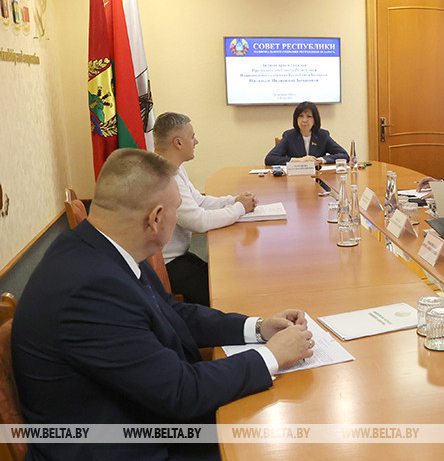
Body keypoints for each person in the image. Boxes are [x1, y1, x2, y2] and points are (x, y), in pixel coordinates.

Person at [11, 149, 314, 460]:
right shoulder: (91, 290)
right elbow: (180, 393)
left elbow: (172, 313)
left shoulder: (99, 246)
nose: (178, 219)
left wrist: (258, 328)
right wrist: (272, 356)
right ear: (156, 218)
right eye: (176, 210)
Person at [154, 111, 257, 306]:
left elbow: (199, 201)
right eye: (192, 137)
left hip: (177, 256)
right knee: (225, 296)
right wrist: (239, 209)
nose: (196, 141)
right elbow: (198, 222)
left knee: (223, 277)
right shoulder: (164, 176)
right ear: (178, 143)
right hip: (167, 264)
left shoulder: (173, 167)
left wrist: (233, 200)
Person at [265, 101, 349, 165]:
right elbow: (270, 159)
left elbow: (344, 155)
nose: (304, 120)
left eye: (309, 116)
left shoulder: (322, 135)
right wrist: (299, 160)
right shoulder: (289, 136)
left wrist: (320, 160)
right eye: (301, 116)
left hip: (318, 178)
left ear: (315, 119)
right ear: (296, 119)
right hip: (296, 179)